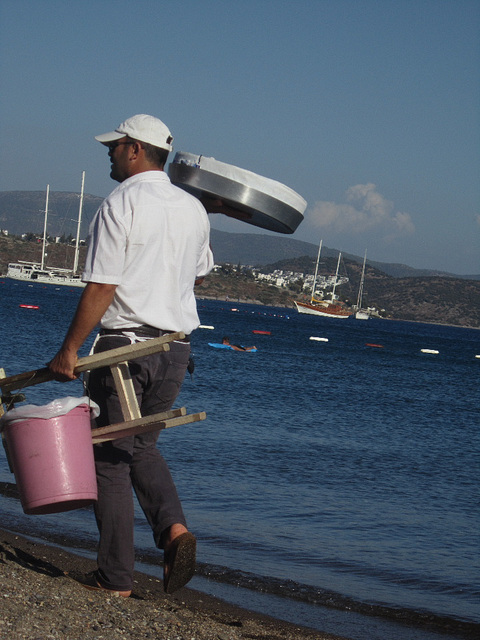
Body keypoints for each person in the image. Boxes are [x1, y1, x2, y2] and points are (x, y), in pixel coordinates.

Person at [48, 114, 214, 597]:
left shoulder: (120, 203)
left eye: (115, 146)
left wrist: (70, 350)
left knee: (110, 459)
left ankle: (115, 578)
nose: (109, 154)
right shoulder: (193, 208)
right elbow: (199, 273)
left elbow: (103, 284)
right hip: (176, 349)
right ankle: (174, 532)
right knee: (141, 447)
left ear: (136, 150)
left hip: (126, 348)